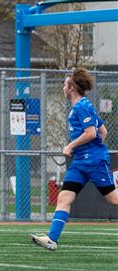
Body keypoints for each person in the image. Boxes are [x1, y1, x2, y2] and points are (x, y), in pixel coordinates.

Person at [30, 68, 118, 251]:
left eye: (64, 84)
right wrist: (86, 149)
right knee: (64, 197)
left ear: (70, 87)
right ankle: (51, 239)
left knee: (113, 199)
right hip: (80, 163)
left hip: (92, 162)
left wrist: (72, 147)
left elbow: (92, 133)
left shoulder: (82, 106)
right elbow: (103, 132)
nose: (63, 87)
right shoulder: (82, 106)